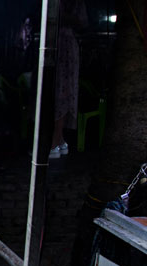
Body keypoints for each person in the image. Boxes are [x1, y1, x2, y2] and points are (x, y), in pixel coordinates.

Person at [49, 0, 88, 159]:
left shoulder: (75, 4)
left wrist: (63, 17)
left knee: (62, 93)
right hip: (54, 44)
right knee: (53, 93)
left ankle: (55, 141)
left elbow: (82, 23)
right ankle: (59, 140)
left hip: (64, 47)